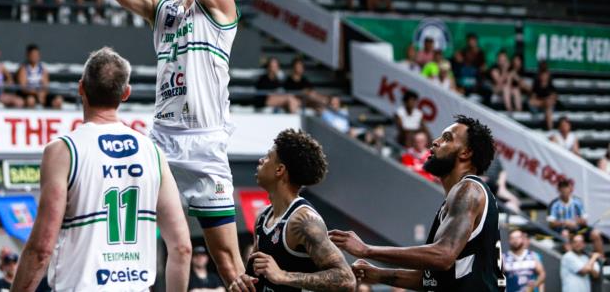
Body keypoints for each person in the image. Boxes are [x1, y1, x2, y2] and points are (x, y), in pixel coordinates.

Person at [42, 0, 244, 285]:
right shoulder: (162, 7)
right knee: (146, 241)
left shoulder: (221, 5)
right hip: (163, 142)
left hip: (206, 143)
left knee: (228, 264)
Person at [10, 47, 191, 292]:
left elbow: (42, 248)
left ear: (81, 88)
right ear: (125, 93)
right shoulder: (153, 152)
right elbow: (182, 248)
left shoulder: (63, 151)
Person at [331, 115, 506, 291]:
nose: (435, 142)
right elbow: (432, 279)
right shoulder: (458, 197)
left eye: (446, 138)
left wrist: (367, 250)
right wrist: (378, 274)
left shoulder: (469, 190)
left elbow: (443, 256)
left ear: (466, 153)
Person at [230, 129, 355, 291]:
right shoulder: (263, 217)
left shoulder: (303, 220)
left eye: (268, 157)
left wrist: (283, 276)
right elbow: (257, 276)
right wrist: (242, 283)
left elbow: (347, 279)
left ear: (279, 170)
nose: (261, 160)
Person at [547, 179, 604, 254]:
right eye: (562, 189)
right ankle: (571, 257)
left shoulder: (577, 201)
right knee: (565, 234)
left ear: (570, 189)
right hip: (562, 229)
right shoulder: (554, 204)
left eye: (566, 188)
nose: (564, 191)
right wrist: (565, 222)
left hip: (578, 228)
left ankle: (601, 258)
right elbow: (551, 223)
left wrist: (577, 222)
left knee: (596, 233)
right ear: (559, 190)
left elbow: (584, 220)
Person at [16, 44, 62, 109]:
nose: (35, 57)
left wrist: (43, 94)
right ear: (28, 55)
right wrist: (36, 93)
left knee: (58, 100)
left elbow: (46, 85)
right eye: (33, 55)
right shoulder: (23, 69)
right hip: (29, 94)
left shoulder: (43, 69)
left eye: (36, 55)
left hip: (40, 94)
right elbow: (23, 88)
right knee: (30, 100)